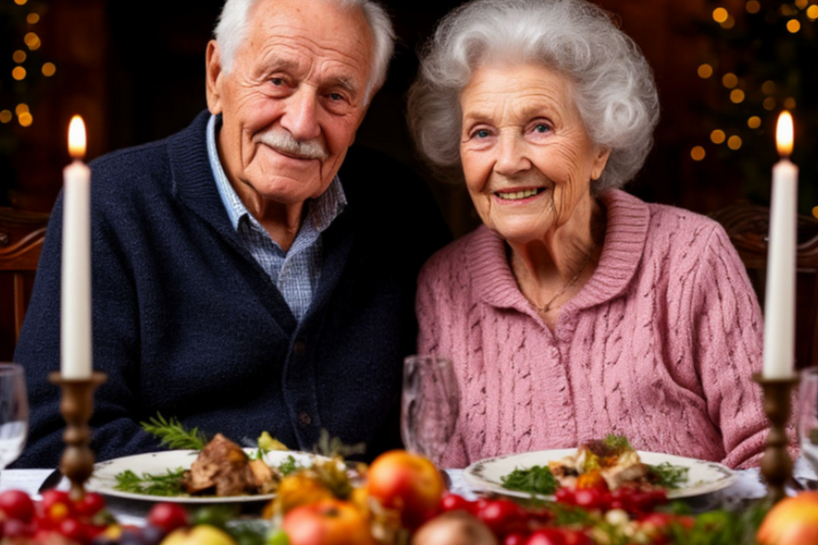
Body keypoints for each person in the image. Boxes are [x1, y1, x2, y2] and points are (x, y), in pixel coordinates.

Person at [14, 0, 449, 468]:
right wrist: (255, 484)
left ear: (364, 107)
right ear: (216, 76)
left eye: (337, 96)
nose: (301, 124)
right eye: (278, 81)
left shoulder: (402, 206)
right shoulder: (114, 201)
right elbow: (51, 440)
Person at [407, 0, 769, 469]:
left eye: (540, 126)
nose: (509, 161)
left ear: (599, 147)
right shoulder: (445, 285)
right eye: (481, 133)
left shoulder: (691, 256)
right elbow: (446, 480)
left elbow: (768, 453)